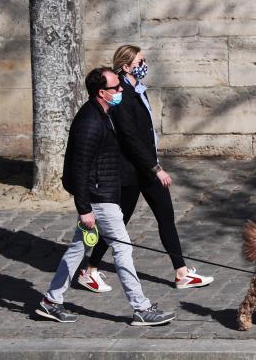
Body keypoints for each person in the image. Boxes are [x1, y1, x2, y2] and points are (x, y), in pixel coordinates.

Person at [36, 67, 175, 326]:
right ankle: (142, 308)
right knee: (122, 248)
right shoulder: (90, 123)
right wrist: (84, 209)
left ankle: (51, 301)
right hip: (99, 197)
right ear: (102, 93)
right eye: (116, 88)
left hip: (103, 193)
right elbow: (79, 168)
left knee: (77, 249)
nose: (121, 90)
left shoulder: (104, 114)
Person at [78, 46, 214, 291]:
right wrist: (156, 168)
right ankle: (90, 270)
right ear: (126, 66)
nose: (144, 65)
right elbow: (130, 138)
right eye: (140, 61)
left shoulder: (137, 90)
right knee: (118, 222)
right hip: (130, 171)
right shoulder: (121, 94)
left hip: (146, 167)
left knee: (165, 216)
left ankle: (181, 272)